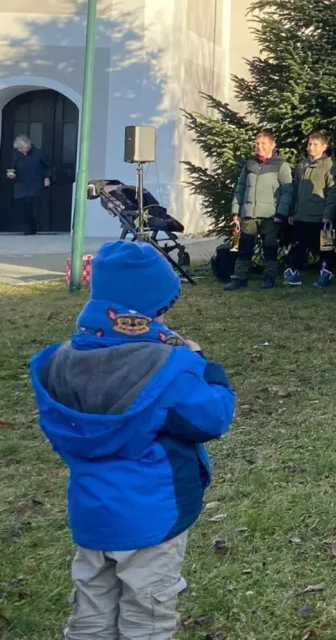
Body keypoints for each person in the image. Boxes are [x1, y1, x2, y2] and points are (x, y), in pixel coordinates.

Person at [29, 241, 235, 639]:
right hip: (153, 517)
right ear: (151, 310)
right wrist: (204, 366)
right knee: (147, 616)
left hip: (92, 515)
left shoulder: (59, 363)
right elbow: (212, 417)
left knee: (90, 612)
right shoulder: (170, 369)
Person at [225, 130, 293, 291]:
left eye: (263, 143)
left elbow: (287, 192)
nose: (259, 147)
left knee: (269, 247)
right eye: (257, 144)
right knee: (244, 247)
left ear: (272, 145)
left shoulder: (281, 166)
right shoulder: (249, 164)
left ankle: (269, 277)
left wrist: (281, 213)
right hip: (249, 214)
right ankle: (240, 278)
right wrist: (236, 212)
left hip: (271, 216)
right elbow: (240, 188)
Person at [284, 131, 336, 289]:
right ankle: (293, 272)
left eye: (315, 145)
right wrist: (292, 211)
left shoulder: (329, 166)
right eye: (309, 144)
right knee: (298, 245)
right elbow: (295, 189)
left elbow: (333, 191)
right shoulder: (302, 165)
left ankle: (326, 272)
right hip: (301, 215)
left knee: (325, 247)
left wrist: (328, 215)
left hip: (321, 215)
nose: (311, 147)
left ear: (324, 147)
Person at [7, 134, 50, 235]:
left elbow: (48, 166)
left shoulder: (39, 153)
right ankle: (26, 227)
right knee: (23, 206)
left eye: (22, 147)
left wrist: (47, 177)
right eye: (19, 148)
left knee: (33, 203)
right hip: (21, 183)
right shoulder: (17, 155)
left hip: (35, 183)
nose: (21, 150)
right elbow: (12, 167)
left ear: (28, 144)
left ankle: (35, 226)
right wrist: (10, 174)